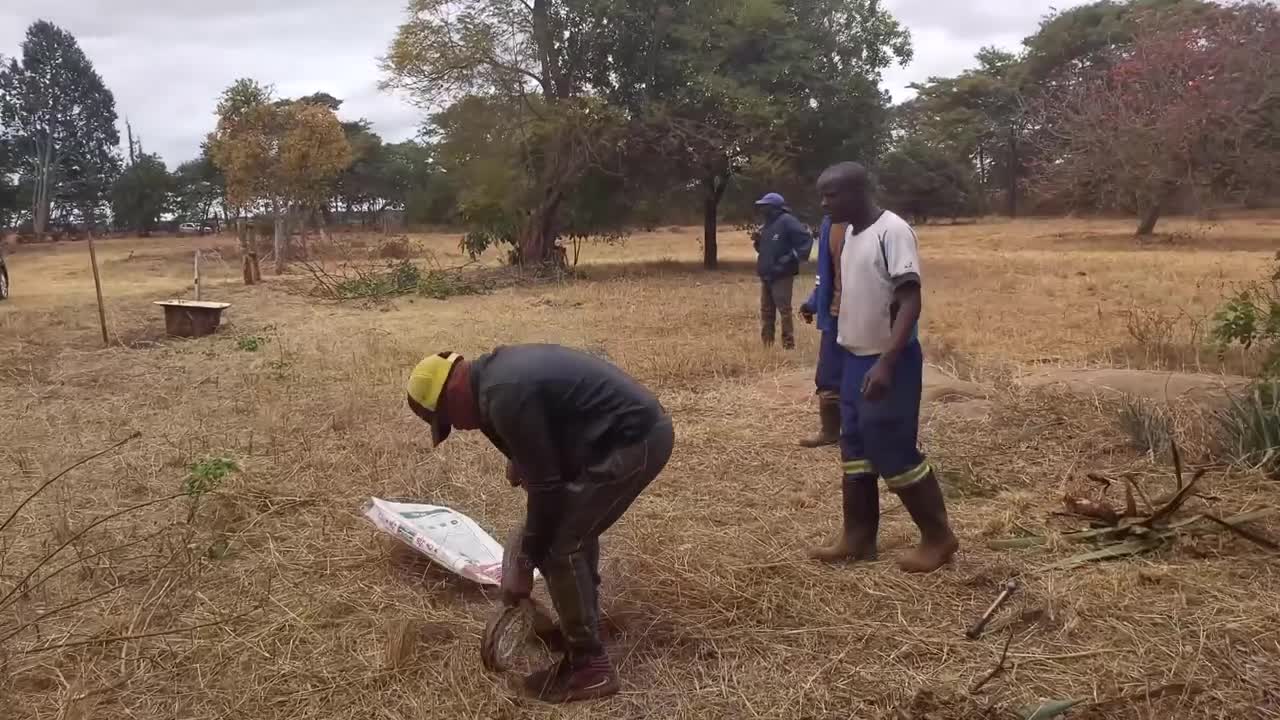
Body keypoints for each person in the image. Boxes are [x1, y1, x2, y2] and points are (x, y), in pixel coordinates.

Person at [404, 344, 674, 703]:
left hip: (633, 441)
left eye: (449, 421)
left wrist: (524, 562)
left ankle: (590, 668)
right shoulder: (491, 381)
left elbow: (548, 491)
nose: (460, 428)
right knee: (568, 529)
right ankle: (584, 633)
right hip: (611, 440)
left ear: (450, 392)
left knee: (562, 543)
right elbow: (541, 442)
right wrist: (521, 457)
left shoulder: (501, 395)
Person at [808, 162, 959, 573]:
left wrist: (888, 363)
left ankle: (938, 537)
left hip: (888, 360)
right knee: (855, 447)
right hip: (853, 357)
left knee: (891, 446)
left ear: (860, 191)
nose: (824, 202)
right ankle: (858, 538)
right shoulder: (849, 234)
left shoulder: (893, 231)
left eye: (832, 194)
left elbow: (910, 300)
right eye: (822, 194)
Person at [797, 214, 848, 447]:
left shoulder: (873, 224)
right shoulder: (828, 223)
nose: (825, 204)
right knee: (827, 375)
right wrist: (813, 304)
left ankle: (867, 432)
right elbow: (825, 275)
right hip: (835, 315)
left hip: (867, 316)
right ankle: (830, 432)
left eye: (832, 194)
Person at [752, 192, 814, 349]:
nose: (762, 209)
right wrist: (757, 242)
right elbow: (765, 250)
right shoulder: (767, 225)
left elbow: (805, 240)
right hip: (767, 274)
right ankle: (767, 344)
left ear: (775, 207)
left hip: (782, 275)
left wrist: (790, 258)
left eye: (765, 206)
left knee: (784, 310)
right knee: (766, 311)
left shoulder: (787, 221)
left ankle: (788, 345)